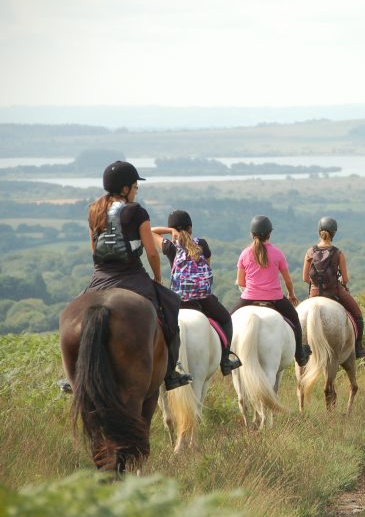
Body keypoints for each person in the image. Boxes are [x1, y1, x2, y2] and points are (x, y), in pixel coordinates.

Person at [85, 161, 192, 390]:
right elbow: (152, 253)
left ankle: (73, 375)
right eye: (135, 187)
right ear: (125, 189)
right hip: (131, 274)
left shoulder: (94, 209)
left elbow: (94, 249)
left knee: (81, 315)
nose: (136, 192)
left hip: (100, 276)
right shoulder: (137, 211)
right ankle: (171, 372)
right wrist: (157, 278)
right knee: (170, 310)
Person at [152, 210, 242, 376]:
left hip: (178, 300)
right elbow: (208, 269)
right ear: (191, 227)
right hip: (202, 298)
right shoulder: (202, 243)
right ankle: (225, 359)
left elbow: (150, 231)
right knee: (225, 319)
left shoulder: (168, 245)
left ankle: (165, 364)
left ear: (173, 229)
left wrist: (170, 231)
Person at [232, 215, 310, 367]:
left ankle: (225, 356)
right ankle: (300, 354)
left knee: (227, 322)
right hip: (274, 298)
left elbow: (241, 281)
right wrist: (291, 294)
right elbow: (287, 280)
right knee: (294, 320)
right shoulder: (278, 253)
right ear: (270, 234)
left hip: (249, 297)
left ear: (251, 234)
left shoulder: (245, 253)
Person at [302, 217, 365, 358]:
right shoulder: (338, 253)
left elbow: (304, 278)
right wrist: (340, 280)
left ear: (319, 231)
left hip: (314, 293)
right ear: (334, 233)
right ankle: (358, 348)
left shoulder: (310, 252)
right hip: (335, 292)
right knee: (358, 315)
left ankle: (300, 350)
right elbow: (345, 279)